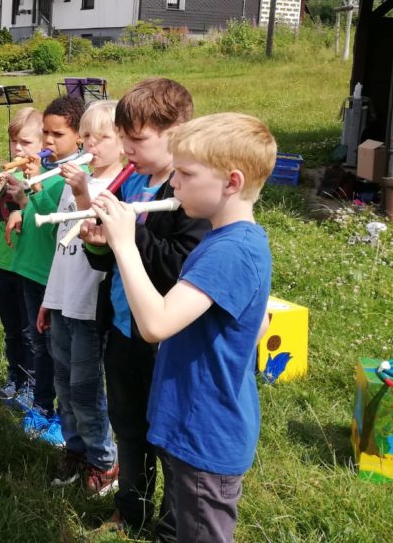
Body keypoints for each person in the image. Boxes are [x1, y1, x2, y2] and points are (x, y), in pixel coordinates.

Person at [89, 112, 276, 543]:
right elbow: (258, 321)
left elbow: (155, 324)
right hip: (191, 421)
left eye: (187, 174)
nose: (174, 183)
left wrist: (124, 241)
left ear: (231, 182)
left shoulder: (229, 251)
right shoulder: (225, 239)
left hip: (206, 432)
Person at [80, 77, 209, 540]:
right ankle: (129, 508)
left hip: (165, 338)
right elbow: (113, 258)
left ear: (175, 131)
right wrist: (101, 242)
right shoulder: (132, 180)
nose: (127, 149)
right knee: (128, 426)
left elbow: (179, 265)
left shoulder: (191, 194)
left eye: (137, 140)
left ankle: (173, 523)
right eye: (125, 139)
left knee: (168, 437)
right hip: (121, 325)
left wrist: (128, 233)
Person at [39, 100, 124, 495]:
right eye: (86, 135)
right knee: (64, 384)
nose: (92, 143)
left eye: (101, 136)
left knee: (86, 389)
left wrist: (83, 191)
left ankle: (104, 461)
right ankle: (75, 450)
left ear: (122, 141)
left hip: (91, 305)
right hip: (63, 299)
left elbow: (98, 235)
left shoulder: (119, 185)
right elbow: (62, 245)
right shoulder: (79, 182)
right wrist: (48, 299)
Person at [4, 95, 87, 446]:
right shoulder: (50, 168)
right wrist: (19, 204)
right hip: (32, 268)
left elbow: (60, 221)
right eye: (46, 134)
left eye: (57, 135)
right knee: (39, 344)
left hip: (55, 272)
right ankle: (40, 405)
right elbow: (35, 211)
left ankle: (60, 414)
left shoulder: (74, 174)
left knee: (57, 349)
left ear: (78, 137)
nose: (48, 142)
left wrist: (34, 188)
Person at [0, 107, 43, 406]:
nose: (19, 148)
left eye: (27, 143)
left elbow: (39, 211)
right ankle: (13, 377)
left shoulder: (42, 179)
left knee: (31, 329)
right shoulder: (8, 173)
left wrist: (24, 193)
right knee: (11, 328)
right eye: (15, 141)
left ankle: (32, 384)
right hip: (3, 259)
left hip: (28, 263)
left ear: (42, 145)